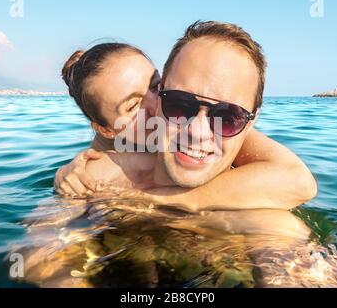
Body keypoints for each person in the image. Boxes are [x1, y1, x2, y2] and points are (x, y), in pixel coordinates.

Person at [55, 21, 317, 211]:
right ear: (107, 130)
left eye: (156, 86)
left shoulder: (203, 120)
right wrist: (72, 171)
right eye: (133, 106)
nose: (155, 102)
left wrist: (167, 201)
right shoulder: (104, 165)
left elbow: (299, 181)